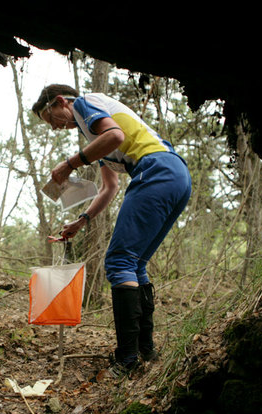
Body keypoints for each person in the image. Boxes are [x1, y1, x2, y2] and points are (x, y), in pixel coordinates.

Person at [32, 84, 192, 377]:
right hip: (176, 175)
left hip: (155, 169)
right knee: (135, 264)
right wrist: (82, 220)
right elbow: (110, 187)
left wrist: (69, 164)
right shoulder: (94, 133)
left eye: (51, 118)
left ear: (61, 102)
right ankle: (146, 351)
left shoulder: (84, 104)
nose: (55, 127)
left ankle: (127, 360)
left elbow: (116, 136)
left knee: (119, 262)